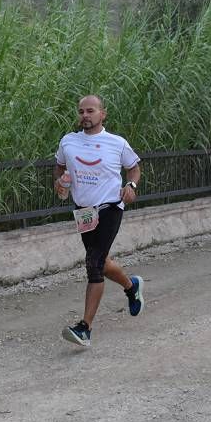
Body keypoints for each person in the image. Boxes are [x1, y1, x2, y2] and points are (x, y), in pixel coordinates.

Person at [54, 95, 144, 348]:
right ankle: (131, 286)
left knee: (93, 263)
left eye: (90, 111)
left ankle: (85, 329)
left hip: (110, 207)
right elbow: (60, 167)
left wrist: (131, 184)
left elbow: (134, 168)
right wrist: (60, 182)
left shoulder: (116, 143)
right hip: (83, 211)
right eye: (81, 111)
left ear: (102, 114)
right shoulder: (68, 141)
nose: (85, 115)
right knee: (101, 262)